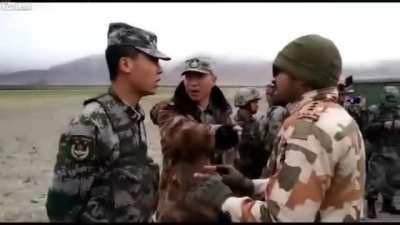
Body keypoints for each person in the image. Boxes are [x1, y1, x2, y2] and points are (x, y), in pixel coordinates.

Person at [189, 34, 366, 222]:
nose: (274, 80)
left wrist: (223, 199)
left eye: (279, 72)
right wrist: (248, 184)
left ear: (302, 78)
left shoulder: (308, 128)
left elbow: (280, 218)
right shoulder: (335, 116)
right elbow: (305, 186)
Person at [45, 22, 170, 222]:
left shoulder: (133, 115)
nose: (160, 69)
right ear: (126, 64)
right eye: (153, 60)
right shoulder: (91, 123)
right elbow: (61, 210)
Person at [149, 56, 239, 222]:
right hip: (179, 211)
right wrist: (216, 134)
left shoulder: (223, 114)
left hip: (213, 209)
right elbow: (181, 133)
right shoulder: (171, 110)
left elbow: (230, 162)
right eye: (189, 77)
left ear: (213, 79)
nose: (193, 83)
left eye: (200, 76)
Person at [363, 85, 400, 219]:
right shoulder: (373, 111)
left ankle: (387, 205)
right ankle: (371, 207)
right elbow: (366, 129)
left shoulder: (398, 110)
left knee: (394, 179)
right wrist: (383, 125)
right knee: (375, 180)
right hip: (378, 149)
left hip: (396, 150)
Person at [233, 87, 265, 179]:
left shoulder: (255, 123)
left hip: (254, 171)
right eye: (254, 102)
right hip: (240, 172)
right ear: (245, 103)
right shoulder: (234, 123)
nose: (257, 105)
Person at [259, 83, 289, 178]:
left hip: (271, 152)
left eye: (269, 94)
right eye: (267, 94)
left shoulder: (275, 111)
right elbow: (274, 134)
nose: (267, 97)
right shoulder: (277, 111)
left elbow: (272, 134)